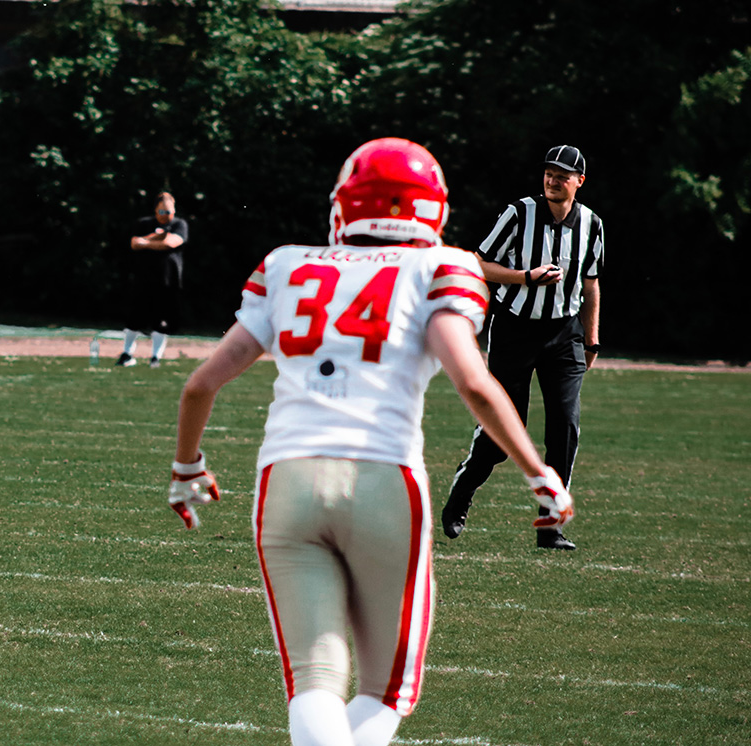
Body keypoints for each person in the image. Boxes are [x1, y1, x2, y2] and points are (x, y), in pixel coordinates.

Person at [167, 138, 574, 746]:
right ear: (431, 209)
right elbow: (475, 383)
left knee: (314, 682)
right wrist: (539, 472)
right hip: (384, 478)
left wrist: (186, 467)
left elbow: (201, 384)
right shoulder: (443, 267)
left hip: (287, 480)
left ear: (345, 203)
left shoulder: (285, 265)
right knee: (384, 693)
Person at [441, 144, 603, 551]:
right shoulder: (519, 213)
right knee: (501, 430)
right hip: (515, 329)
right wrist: (526, 277)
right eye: (549, 173)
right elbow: (479, 263)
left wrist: (592, 338)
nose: (553, 180)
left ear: (579, 182)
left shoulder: (592, 224)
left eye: (562, 175)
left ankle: (551, 526)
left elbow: (590, 284)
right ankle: (462, 491)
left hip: (564, 334)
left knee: (564, 429)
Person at [115, 192, 189, 368]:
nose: (165, 216)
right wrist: (158, 237)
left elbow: (171, 243)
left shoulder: (179, 224)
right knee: (134, 317)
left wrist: (147, 241)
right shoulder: (143, 223)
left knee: (162, 319)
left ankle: (155, 357)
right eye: (161, 212)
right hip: (143, 277)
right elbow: (134, 243)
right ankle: (127, 354)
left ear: (174, 211)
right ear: (155, 210)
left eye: (169, 212)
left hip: (168, 280)